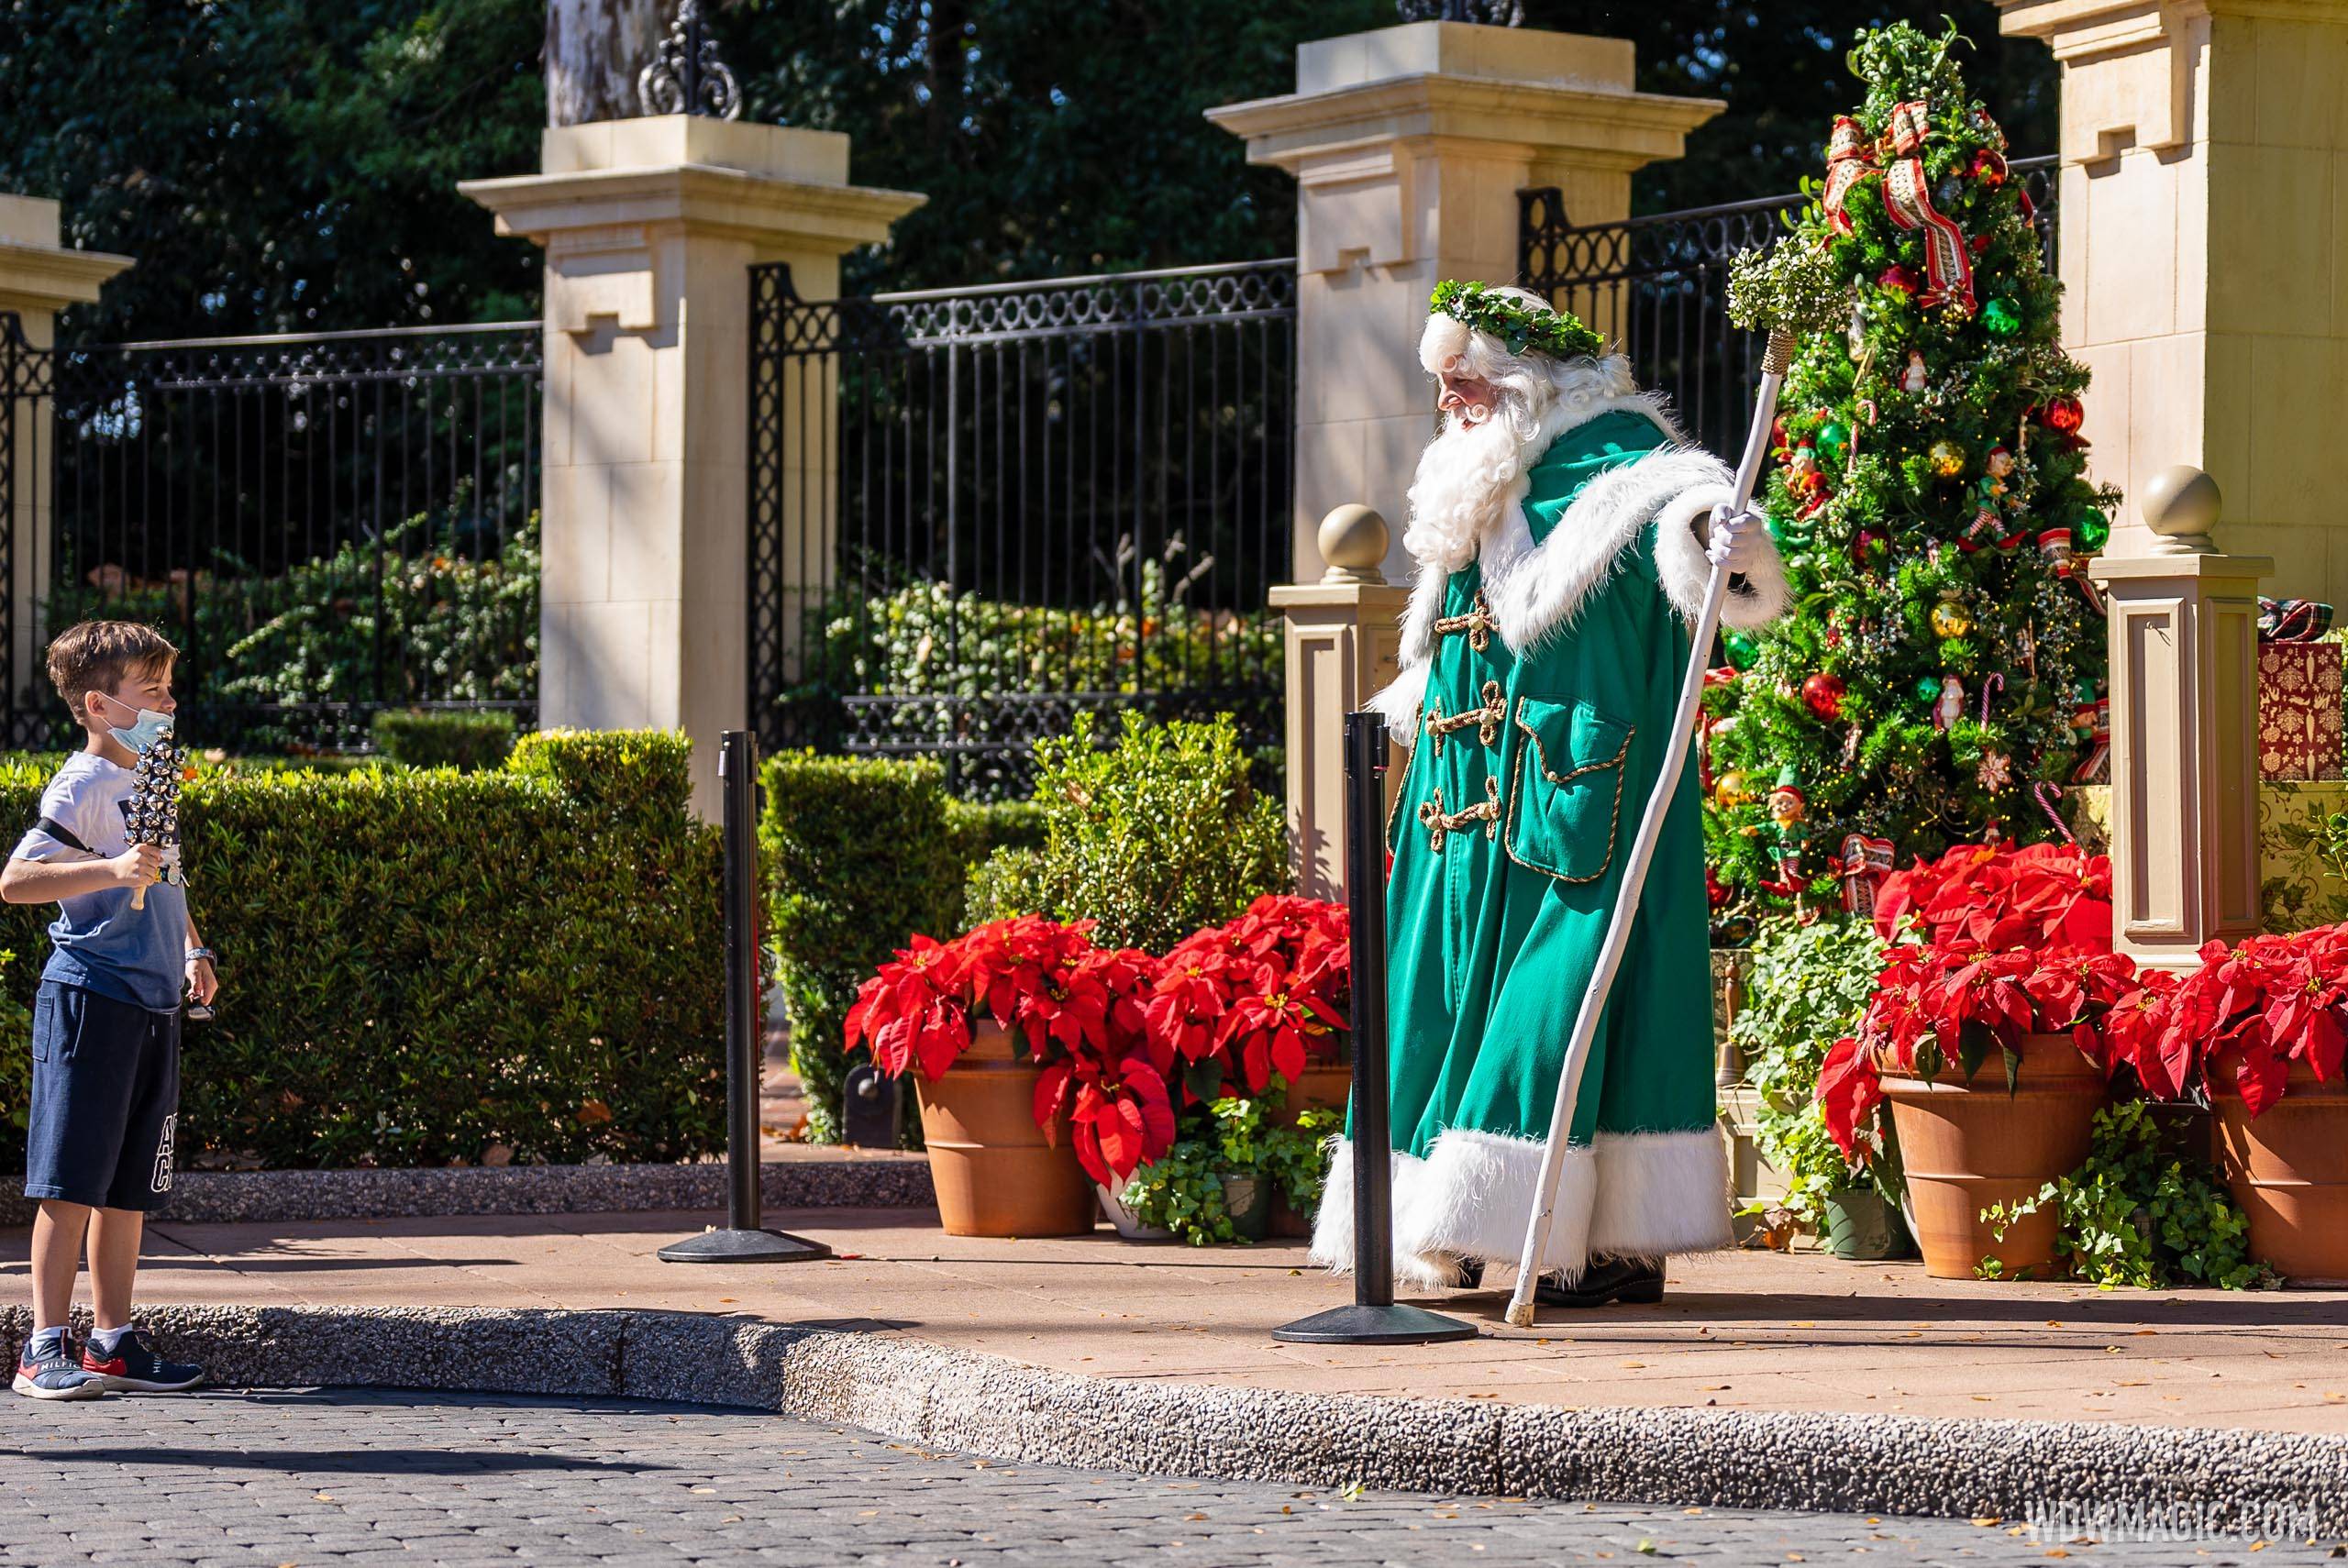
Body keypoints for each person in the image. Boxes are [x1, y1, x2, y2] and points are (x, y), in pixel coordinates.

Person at [1311, 282, 1787, 1307]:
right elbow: (1458, 633)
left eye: (1465, 383)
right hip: (1458, 800)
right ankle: (1448, 1222)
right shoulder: (1483, 473)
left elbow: (1688, 525)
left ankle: (1599, 1241)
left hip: (1572, 789)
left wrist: (1727, 542)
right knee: (1441, 1004)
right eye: (1444, 386)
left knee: (1565, 1000)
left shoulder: (1623, 461)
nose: (1450, 403)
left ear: (1526, 380)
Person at [3, 622, 217, 1398]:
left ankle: (112, 1342)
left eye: (169, 687)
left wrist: (193, 949)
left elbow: (167, 877)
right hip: (90, 998)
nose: (169, 702)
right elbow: (16, 881)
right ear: (99, 705)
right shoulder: (83, 785)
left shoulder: (150, 773)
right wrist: (112, 867)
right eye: (152, 691)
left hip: (153, 1001)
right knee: (71, 1183)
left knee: (130, 1187)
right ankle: (41, 1348)